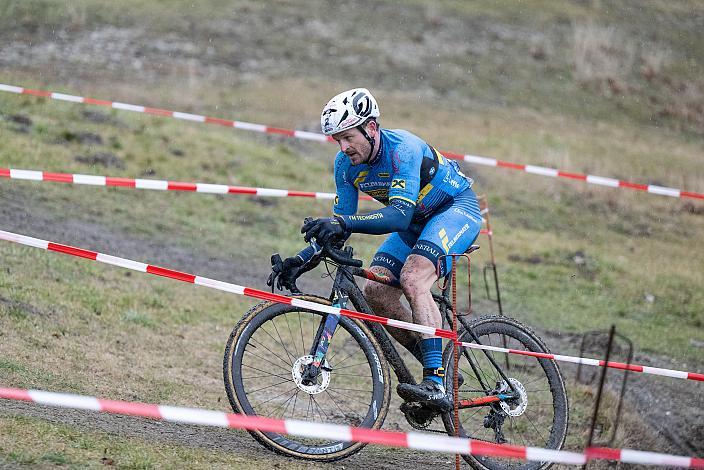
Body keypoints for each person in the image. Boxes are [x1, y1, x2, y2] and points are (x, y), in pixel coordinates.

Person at [300, 88, 482, 411]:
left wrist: (344, 224)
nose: (343, 148)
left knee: (413, 278)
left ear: (371, 128)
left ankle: (436, 381)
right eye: (336, 141)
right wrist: (300, 259)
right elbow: (341, 226)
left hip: (454, 210)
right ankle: (437, 360)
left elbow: (398, 214)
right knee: (376, 291)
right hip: (416, 225)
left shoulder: (403, 150)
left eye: (347, 138)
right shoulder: (345, 166)